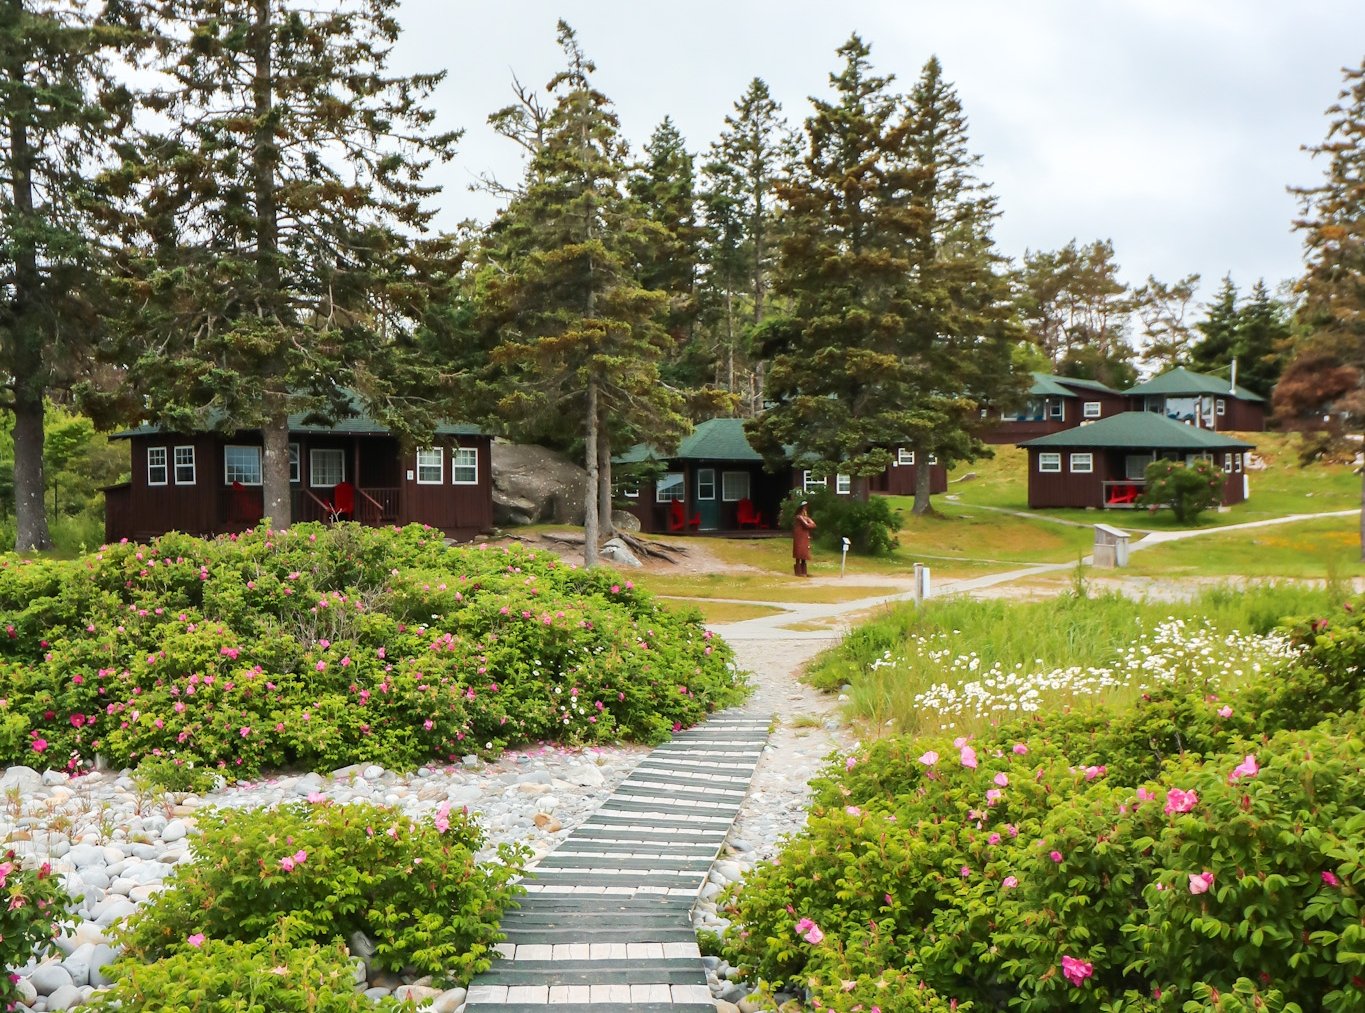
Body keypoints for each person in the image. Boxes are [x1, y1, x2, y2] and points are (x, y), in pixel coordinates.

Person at [792, 500, 816, 577]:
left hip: (805, 537)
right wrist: (809, 524)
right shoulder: (799, 517)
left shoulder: (805, 517)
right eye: (804, 507)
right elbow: (807, 525)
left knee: (804, 555)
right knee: (799, 554)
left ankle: (804, 571)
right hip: (799, 537)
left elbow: (813, 524)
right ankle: (798, 572)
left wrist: (809, 523)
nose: (805, 509)